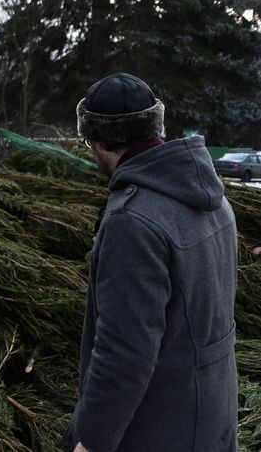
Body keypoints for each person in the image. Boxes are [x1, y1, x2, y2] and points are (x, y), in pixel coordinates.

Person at [61, 73, 239, 452]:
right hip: (213, 415)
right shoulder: (213, 198)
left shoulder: (132, 221)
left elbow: (124, 354)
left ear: (99, 141)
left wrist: (90, 441)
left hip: (158, 428)